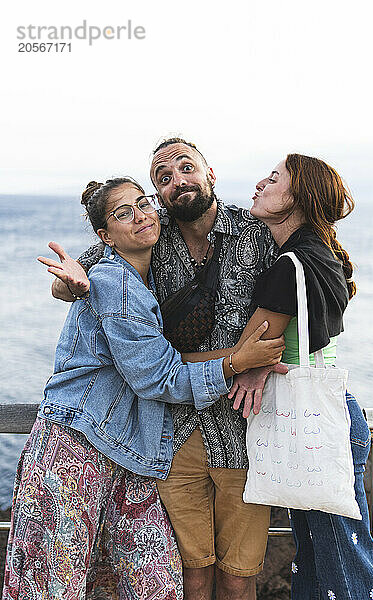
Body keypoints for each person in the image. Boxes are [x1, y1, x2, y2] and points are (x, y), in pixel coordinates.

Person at [2, 177, 285, 600]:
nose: (140, 215)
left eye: (143, 203)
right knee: (51, 585)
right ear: (105, 236)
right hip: (77, 446)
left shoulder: (150, 268)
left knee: (155, 581)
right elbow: (158, 377)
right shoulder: (115, 281)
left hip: (133, 455)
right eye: (123, 213)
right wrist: (237, 363)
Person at [229, 154, 373, 599]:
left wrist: (249, 363)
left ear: (298, 195)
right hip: (327, 417)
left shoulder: (291, 265)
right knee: (322, 567)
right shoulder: (317, 255)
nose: (260, 183)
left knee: (347, 573)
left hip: (312, 426)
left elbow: (247, 353)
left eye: (274, 177)